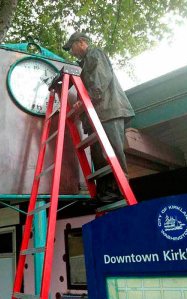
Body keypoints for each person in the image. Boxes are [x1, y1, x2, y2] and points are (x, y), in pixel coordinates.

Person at [63, 32, 135, 202]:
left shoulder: (95, 54)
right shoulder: (82, 65)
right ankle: (105, 192)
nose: (71, 52)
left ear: (81, 42)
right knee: (98, 156)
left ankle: (118, 189)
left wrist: (84, 101)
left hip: (108, 111)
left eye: (71, 47)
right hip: (96, 116)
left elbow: (99, 82)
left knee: (112, 151)